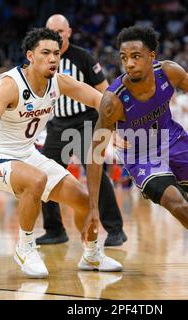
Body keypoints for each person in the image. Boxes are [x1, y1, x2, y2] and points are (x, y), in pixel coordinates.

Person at [0, 28, 122, 278]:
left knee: (82, 199)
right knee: (36, 180)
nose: (52, 59)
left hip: (26, 154)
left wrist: (118, 125)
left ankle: (91, 254)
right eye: (45, 53)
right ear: (30, 56)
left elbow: (99, 99)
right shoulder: (10, 84)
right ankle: (25, 247)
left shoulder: (59, 82)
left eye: (56, 54)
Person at [84, 26, 188, 279]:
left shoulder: (168, 72)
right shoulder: (113, 101)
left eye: (136, 56)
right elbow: (95, 155)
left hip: (174, 139)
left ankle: (183, 200)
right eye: (123, 57)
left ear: (151, 56)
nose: (129, 63)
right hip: (141, 156)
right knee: (178, 205)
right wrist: (93, 207)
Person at [36, 14, 127, 247]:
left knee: (97, 174)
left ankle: (115, 229)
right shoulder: (41, 58)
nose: (56, 34)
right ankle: (55, 230)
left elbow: (104, 92)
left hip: (86, 122)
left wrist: (113, 125)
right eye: (51, 30)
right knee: (44, 175)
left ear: (69, 32)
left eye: (60, 30)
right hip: (57, 125)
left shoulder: (83, 57)